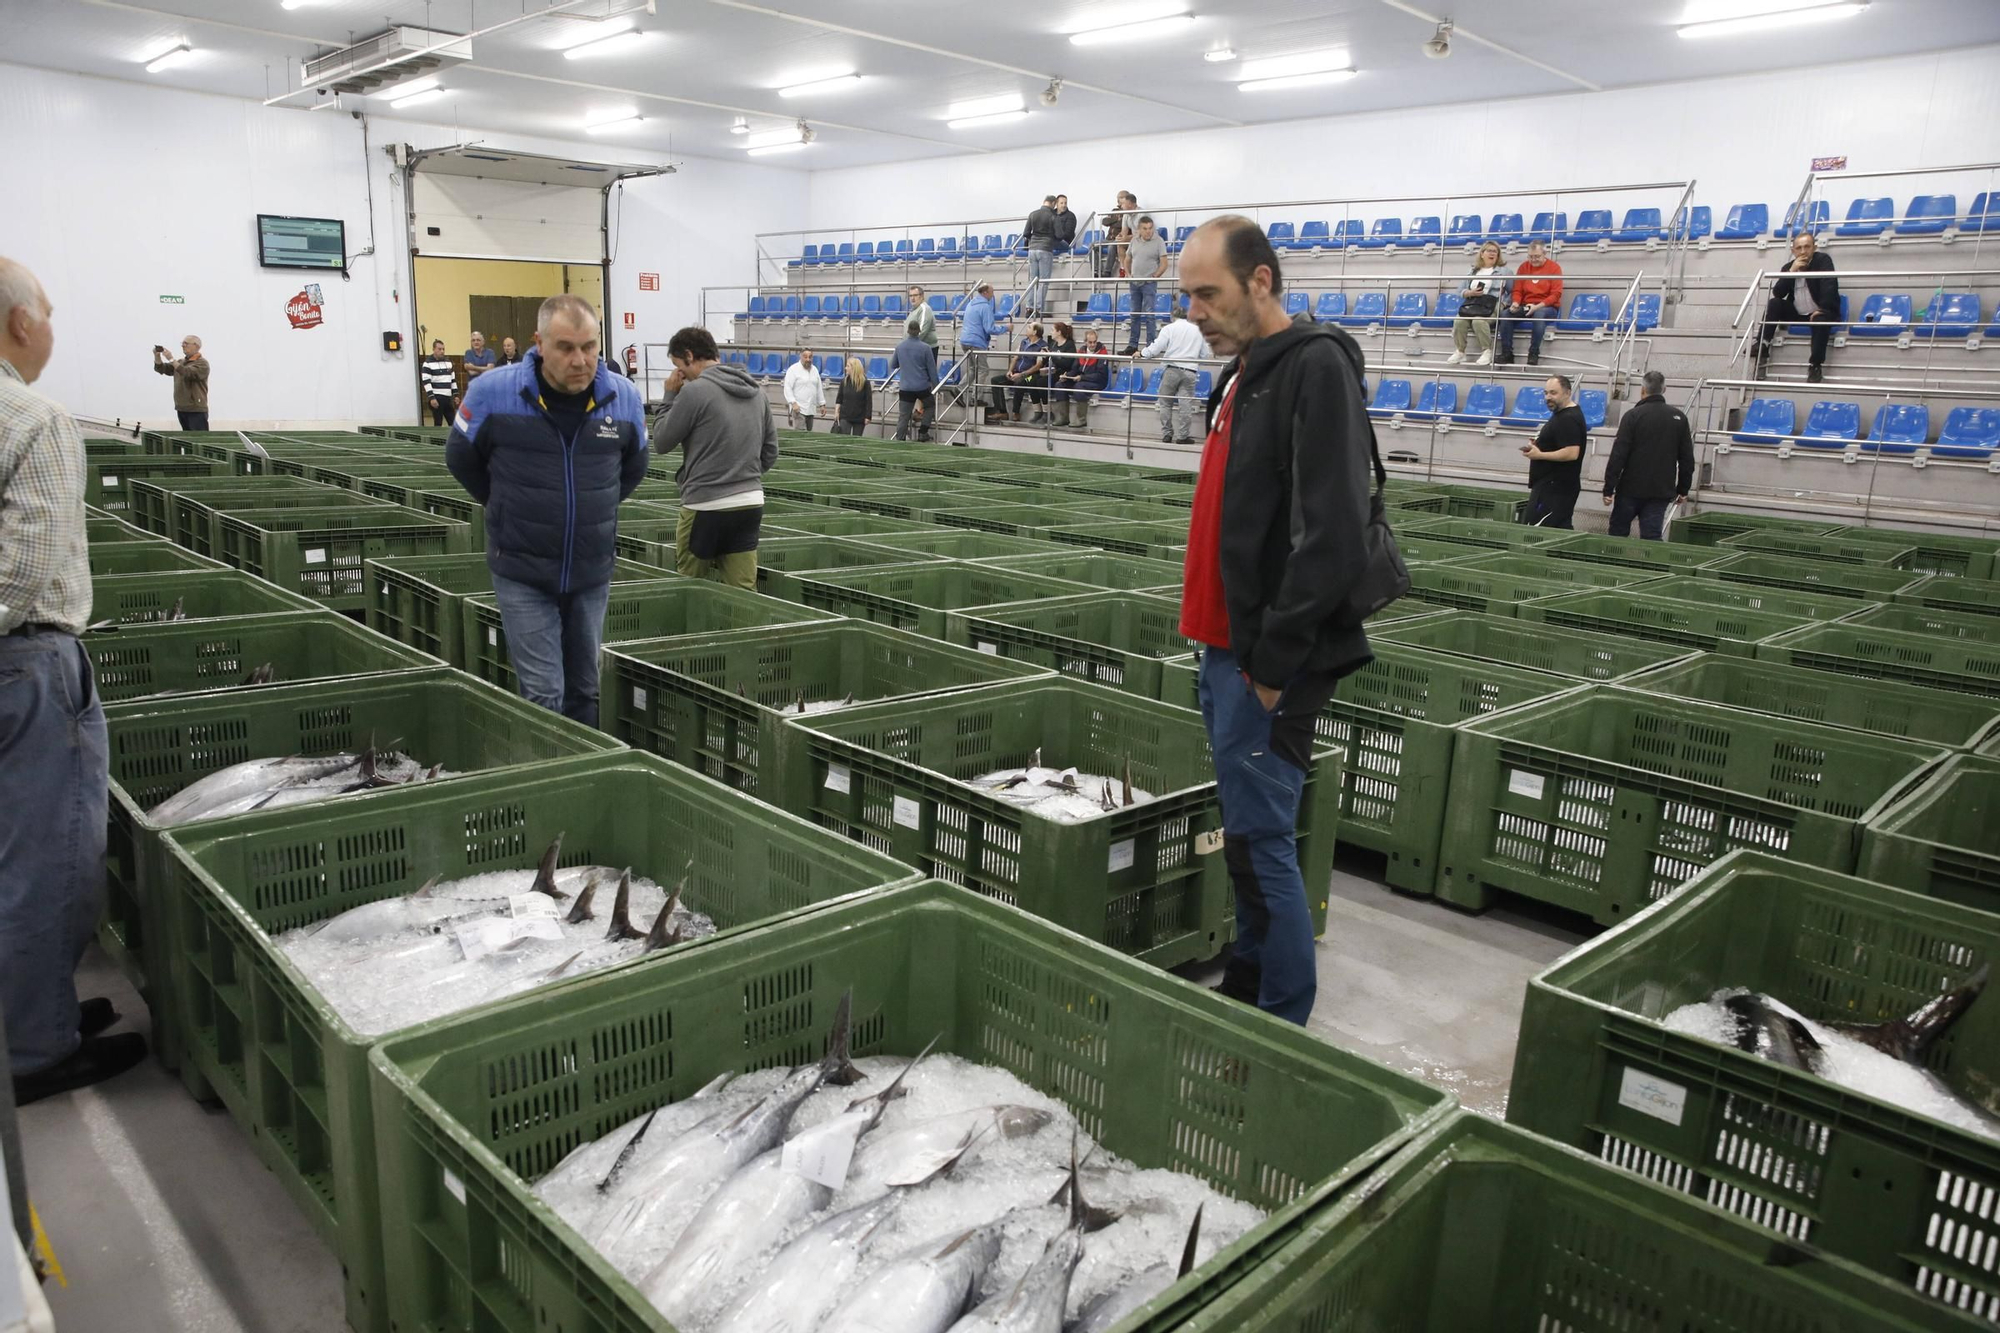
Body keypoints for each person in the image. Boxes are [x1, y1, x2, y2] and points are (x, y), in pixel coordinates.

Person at [1174, 217, 1374, 1026]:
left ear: (1261, 280)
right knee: (1250, 842)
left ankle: (1282, 1021)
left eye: (1208, 293)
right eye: (1188, 295)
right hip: (1223, 649)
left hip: (1262, 662)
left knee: (1264, 845)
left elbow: (1330, 537)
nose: (1195, 313)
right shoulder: (1245, 373)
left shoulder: (1314, 369)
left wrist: (1269, 667)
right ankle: (1249, 993)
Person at [2, 256, 147, 1103]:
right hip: (26, 662)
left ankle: (34, 1009)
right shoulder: (34, 418)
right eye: (48, 313)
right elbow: (20, 572)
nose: (52, 328)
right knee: (50, 856)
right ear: (22, 323)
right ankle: (37, 1048)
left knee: (14, 852)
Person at [445, 295, 647, 727]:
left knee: (585, 689)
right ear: (538, 343)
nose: (580, 359)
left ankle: (585, 785)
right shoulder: (491, 393)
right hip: (523, 570)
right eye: (566, 347)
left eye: (589, 346)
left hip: (591, 571)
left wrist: (596, 510)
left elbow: (633, 469)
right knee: (544, 693)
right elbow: (460, 459)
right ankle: (546, 783)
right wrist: (503, 506)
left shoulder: (623, 398)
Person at [651, 325, 778, 589]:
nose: (681, 376)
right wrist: (741, 474)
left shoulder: (693, 393)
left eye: (680, 368)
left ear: (689, 355)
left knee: (689, 589)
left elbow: (662, 442)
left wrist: (669, 396)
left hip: (704, 507)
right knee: (743, 595)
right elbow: (770, 453)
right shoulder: (757, 392)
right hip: (749, 504)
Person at [1601, 371, 1693, 540]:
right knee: (1651, 538)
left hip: (1630, 489)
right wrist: (1683, 489)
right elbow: (1687, 458)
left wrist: (1609, 488)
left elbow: (1618, 455)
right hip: (1660, 491)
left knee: (1617, 536)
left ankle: (1614, 564)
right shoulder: (1679, 418)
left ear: (1642, 390)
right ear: (1664, 389)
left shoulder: (1632, 416)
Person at [1756, 231, 1839, 383]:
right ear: (1793, 251)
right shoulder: (1789, 267)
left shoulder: (1823, 260)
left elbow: (1830, 286)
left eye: (1807, 247)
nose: (1802, 251)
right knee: (1774, 303)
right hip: (1798, 313)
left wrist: (1823, 309)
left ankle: (1815, 365)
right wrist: (1791, 272)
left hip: (1820, 311)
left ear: (1814, 247)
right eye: (1799, 248)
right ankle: (1763, 344)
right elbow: (1778, 293)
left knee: (1821, 320)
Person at [1519, 374, 1587, 529]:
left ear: (1567, 393)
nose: (1548, 397)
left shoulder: (1568, 418)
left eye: (1553, 393)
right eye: (1546, 393)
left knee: (1538, 532)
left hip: (1555, 489)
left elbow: (1572, 453)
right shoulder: (1562, 415)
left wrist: (1539, 454)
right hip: (1553, 486)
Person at [1137, 303, 1210, 444]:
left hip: (1172, 369)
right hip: (1190, 371)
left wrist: (1142, 353)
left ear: (1173, 316)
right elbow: (1205, 354)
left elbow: (1156, 347)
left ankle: (1167, 434)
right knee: (1185, 405)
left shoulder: (1169, 328)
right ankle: (1183, 436)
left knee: (1165, 402)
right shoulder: (1198, 330)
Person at [1497, 240, 1562, 366]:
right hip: (1526, 306)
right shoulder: (1524, 267)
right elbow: (1517, 290)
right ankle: (1507, 353)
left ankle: (1533, 352)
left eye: (1537, 256)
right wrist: (1515, 303)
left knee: (1539, 314)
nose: (1533, 260)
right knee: (1505, 314)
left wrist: (1537, 306)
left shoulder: (1554, 268)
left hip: (1547, 306)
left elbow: (1556, 295)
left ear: (1545, 254)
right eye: (1530, 257)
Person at [1445, 242, 1509, 366]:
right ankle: (1460, 351)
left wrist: (1505, 303)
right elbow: (1460, 291)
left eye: (1495, 251)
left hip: (1492, 303)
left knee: (1478, 321)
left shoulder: (1504, 271)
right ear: (1482, 254)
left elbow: (1513, 290)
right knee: (1459, 321)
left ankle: (1487, 351)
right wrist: (1470, 292)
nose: (1492, 253)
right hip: (1474, 302)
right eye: (1489, 251)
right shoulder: (1472, 271)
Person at [959, 281, 1007, 421]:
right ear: (985, 293)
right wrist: (1005, 328)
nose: (993, 295)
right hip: (976, 342)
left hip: (965, 341)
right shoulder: (984, 307)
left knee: (974, 369)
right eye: (992, 292)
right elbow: (990, 329)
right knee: (983, 370)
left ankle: (959, 389)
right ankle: (976, 398)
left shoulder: (971, 303)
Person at [1124, 216, 1168, 354]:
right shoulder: (1134, 241)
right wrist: (1127, 273)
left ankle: (1151, 345)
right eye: (1145, 229)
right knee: (1134, 315)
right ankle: (1132, 345)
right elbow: (1127, 258)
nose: (1148, 231)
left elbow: (1164, 263)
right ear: (1139, 229)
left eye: (1150, 228)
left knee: (1150, 315)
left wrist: (1156, 275)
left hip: (1149, 283)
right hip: (1134, 282)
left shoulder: (1159, 241)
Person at [892, 318, 939, 441]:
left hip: (906, 387)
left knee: (904, 416)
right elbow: (932, 370)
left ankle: (899, 439)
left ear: (908, 331)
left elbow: (893, 365)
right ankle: (923, 432)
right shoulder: (926, 348)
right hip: (922, 387)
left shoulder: (900, 347)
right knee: (930, 406)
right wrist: (937, 385)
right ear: (919, 331)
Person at [1056, 326, 1111, 430]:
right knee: (1059, 385)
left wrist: (1082, 377)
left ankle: (1081, 419)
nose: (1093, 345)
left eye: (1094, 342)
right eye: (1090, 342)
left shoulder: (1102, 352)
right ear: (1085, 342)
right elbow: (1074, 369)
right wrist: (1067, 376)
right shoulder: (1081, 351)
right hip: (1081, 379)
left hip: (1098, 382)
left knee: (1079, 387)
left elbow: (1100, 375)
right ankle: (1063, 417)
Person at [151, 334, 210, 429]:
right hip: (181, 408)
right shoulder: (181, 362)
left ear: (196, 346)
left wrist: (171, 359)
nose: (183, 346)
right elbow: (162, 369)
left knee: (199, 438)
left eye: (186, 343)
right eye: (182, 343)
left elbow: (187, 373)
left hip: (196, 409)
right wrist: (157, 356)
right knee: (186, 440)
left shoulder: (202, 364)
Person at [1004, 323, 1050, 424]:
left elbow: (1038, 365)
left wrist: (1022, 374)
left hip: (1030, 376)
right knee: (996, 381)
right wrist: (1010, 370)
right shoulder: (1023, 342)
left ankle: (1016, 412)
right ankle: (1001, 411)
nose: (1026, 329)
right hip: (1016, 372)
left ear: (1035, 332)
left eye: (1029, 327)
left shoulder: (1042, 345)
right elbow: (1015, 357)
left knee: (1020, 382)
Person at [1022, 194, 1060, 318]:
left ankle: (1029, 308)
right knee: (1043, 281)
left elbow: (1026, 233)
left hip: (1032, 249)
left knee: (1032, 280)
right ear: (1053, 203)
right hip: (1046, 249)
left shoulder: (1032, 214)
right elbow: (1059, 235)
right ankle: (1038, 309)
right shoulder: (1053, 216)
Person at [782, 348, 825, 430]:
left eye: (810, 357)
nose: (808, 359)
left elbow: (819, 388)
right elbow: (787, 388)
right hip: (798, 408)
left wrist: (822, 404)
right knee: (801, 433)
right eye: (805, 357)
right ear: (800, 357)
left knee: (808, 433)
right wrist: (793, 403)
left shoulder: (815, 370)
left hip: (811, 408)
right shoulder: (793, 369)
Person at [1045, 321, 1078, 426]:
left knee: (1041, 382)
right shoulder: (1053, 344)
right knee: (1030, 380)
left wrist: (1051, 355)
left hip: (1063, 374)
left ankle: (1048, 413)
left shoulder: (1069, 345)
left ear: (1059, 332)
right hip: (1046, 373)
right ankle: (1039, 411)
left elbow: (1067, 363)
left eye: (1052, 330)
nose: (1051, 332)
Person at [1098, 190, 1137, 279]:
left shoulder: (1129, 212)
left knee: (1114, 245)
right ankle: (1096, 271)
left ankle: (1107, 272)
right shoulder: (1114, 210)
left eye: (1121, 198)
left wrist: (1113, 221)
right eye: (1118, 198)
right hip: (1109, 238)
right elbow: (1105, 221)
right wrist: (1116, 219)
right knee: (1094, 245)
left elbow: (1123, 227)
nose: (1118, 200)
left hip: (1118, 239)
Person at [420, 340, 457, 427]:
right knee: (438, 423)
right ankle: (436, 440)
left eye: (443, 349)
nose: (442, 351)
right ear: (434, 349)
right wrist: (432, 398)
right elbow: (426, 382)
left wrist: (455, 394)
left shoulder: (448, 363)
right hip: (437, 397)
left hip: (447, 397)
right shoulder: (427, 364)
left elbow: (453, 379)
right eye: (439, 349)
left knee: (454, 422)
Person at [833, 356, 872, 436]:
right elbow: (839, 399)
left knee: (856, 439)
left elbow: (868, 400)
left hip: (859, 417)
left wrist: (868, 416)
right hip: (845, 416)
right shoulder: (844, 381)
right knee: (843, 438)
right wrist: (836, 412)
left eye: (848, 366)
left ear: (854, 368)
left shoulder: (865, 382)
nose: (845, 368)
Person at [906, 284, 938, 349]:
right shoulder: (914, 310)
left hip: (924, 349)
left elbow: (921, 331)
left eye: (915, 295)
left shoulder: (924, 309)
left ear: (922, 296)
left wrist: (909, 345)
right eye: (910, 296)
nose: (912, 298)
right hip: (914, 347)